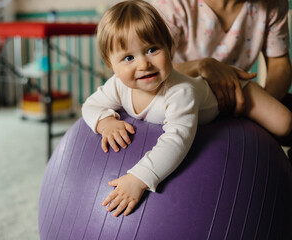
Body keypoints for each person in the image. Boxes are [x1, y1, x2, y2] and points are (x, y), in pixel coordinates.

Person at [82, 0, 292, 217]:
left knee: (284, 123)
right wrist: (105, 121)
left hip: (237, 91)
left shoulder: (180, 93)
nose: (143, 64)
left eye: (152, 50)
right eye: (128, 58)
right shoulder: (117, 85)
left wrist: (139, 178)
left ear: (169, 47)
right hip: (203, 81)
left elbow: (176, 140)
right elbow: (91, 105)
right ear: (111, 65)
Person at [150, 0, 292, 150]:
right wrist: (199, 66)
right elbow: (149, 67)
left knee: (284, 121)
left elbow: (279, 63)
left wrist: (261, 105)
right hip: (182, 95)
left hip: (236, 96)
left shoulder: (272, 4)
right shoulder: (169, 4)